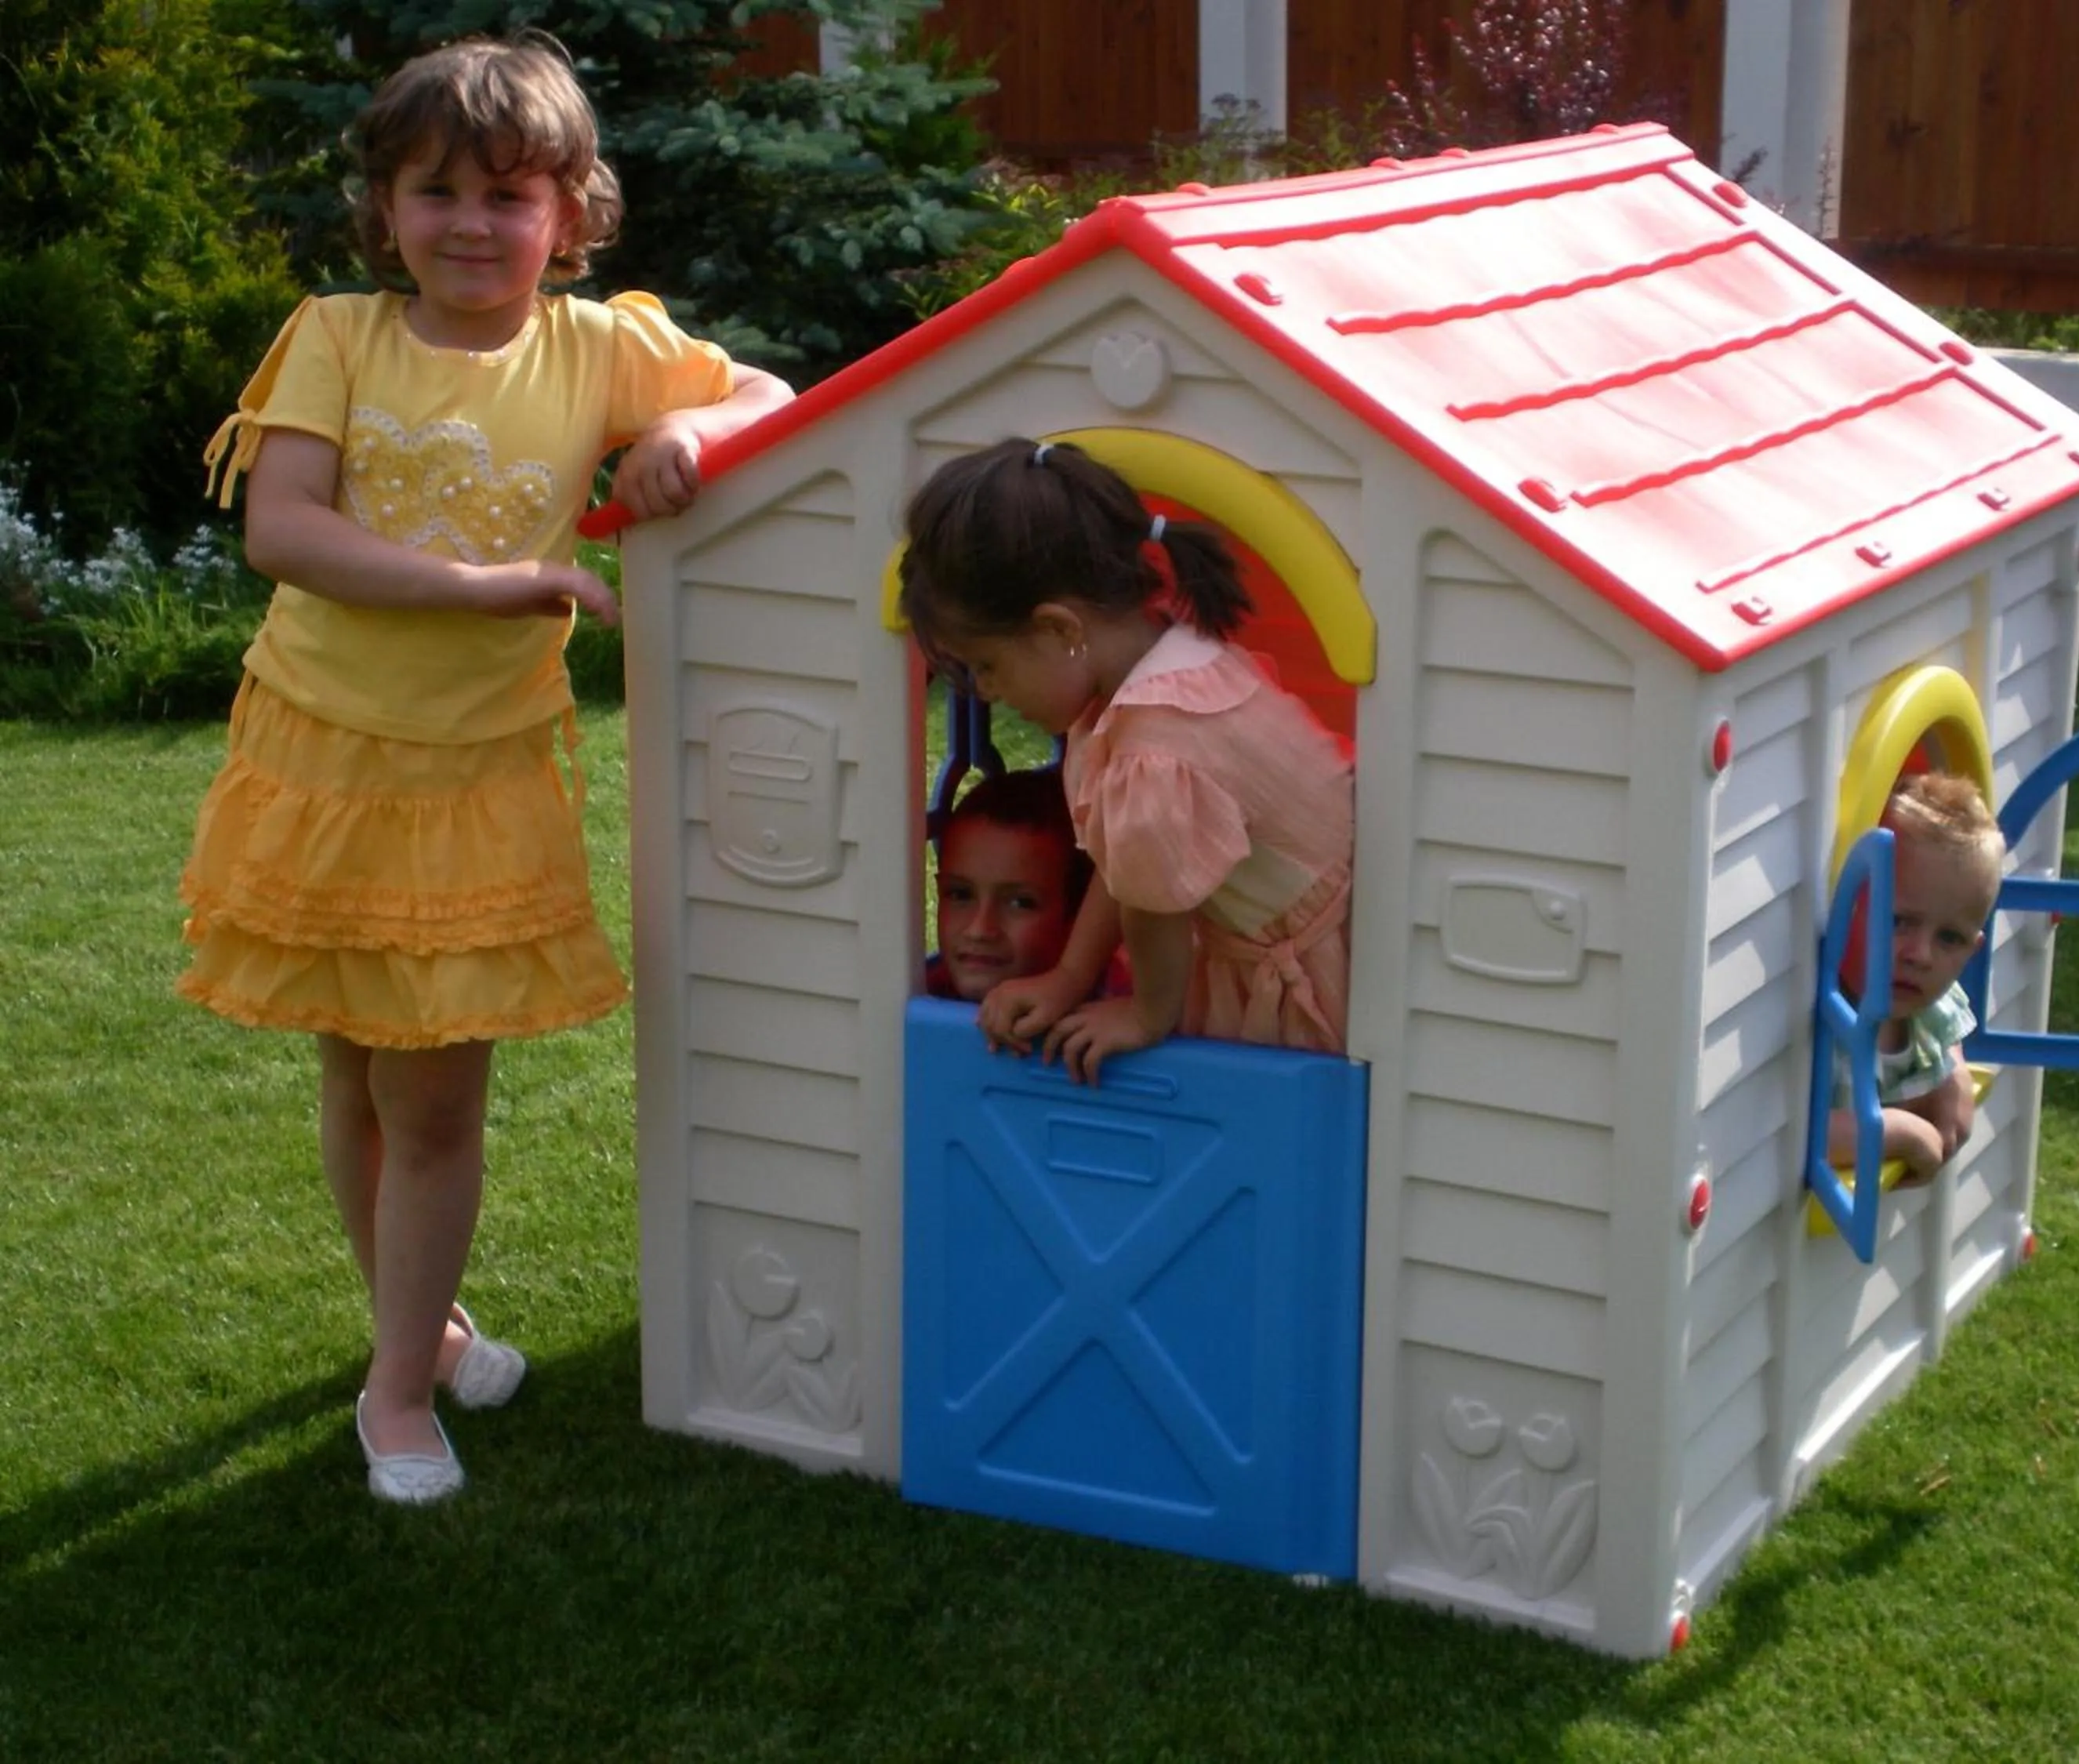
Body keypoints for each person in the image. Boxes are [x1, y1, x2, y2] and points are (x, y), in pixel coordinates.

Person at [177, 33, 795, 1504]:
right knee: (355, 1068)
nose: (470, 222)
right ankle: (421, 1356)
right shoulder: (336, 335)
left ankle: (398, 1378)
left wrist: (691, 432)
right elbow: (286, 530)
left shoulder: (601, 351)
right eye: (433, 189)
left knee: (436, 1101)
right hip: (316, 757)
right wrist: (498, 585)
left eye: (508, 194)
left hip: (477, 780)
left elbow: (770, 397)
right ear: (383, 207)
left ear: (571, 214)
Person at [898, 437, 1355, 1082]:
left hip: (1304, 973)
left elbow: (1151, 899)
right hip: (1258, 938)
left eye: (988, 666)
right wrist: (1071, 977)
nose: (988, 691)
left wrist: (1145, 1014)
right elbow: (1129, 868)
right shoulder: (1163, 661)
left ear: (1062, 630)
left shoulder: (1156, 745)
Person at [1827, 770, 2007, 1185]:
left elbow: (1949, 1041)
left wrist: (1957, 1078)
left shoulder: (1931, 1006)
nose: (1921, 956)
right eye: (1899, 922)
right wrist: (1898, 1133)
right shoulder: (1827, 1023)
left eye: (1950, 938)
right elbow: (1799, 1136)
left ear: (1973, 948)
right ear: (1851, 907)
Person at [926, 766, 1098, 1004]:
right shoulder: (920, 989)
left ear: (1081, 916)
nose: (979, 930)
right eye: (960, 894)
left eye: (1020, 903)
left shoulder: (1120, 1007)